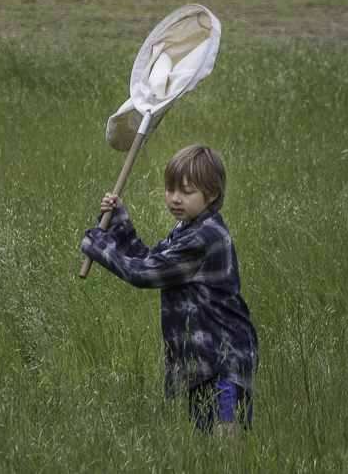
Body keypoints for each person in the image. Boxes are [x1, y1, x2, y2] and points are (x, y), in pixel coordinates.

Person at [81, 145, 259, 441]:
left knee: (226, 447)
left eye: (187, 192)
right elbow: (149, 259)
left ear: (212, 195)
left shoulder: (205, 237)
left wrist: (99, 247)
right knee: (204, 448)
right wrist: (119, 223)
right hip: (200, 361)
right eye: (169, 189)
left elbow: (144, 274)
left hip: (225, 359)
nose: (175, 198)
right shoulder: (186, 228)